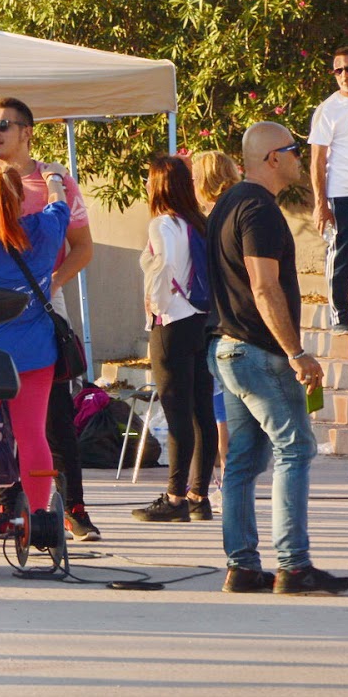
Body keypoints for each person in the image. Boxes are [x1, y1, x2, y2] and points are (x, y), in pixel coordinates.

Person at [0, 97, 101, 542]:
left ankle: (68, 507)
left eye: (4, 125)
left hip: (31, 309)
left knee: (35, 423)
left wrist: (50, 283)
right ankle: (33, 515)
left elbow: (83, 247)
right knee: (27, 427)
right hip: (25, 321)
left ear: (27, 131)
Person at [209, 122, 348, 595]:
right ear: (273, 157)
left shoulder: (226, 204)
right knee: (295, 449)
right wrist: (296, 351)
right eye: (294, 150)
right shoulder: (259, 210)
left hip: (229, 348)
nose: (300, 158)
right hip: (259, 352)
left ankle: (243, 565)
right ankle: (293, 564)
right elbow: (263, 285)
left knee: (245, 461)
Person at [0, 165, 71, 526]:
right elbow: (61, 204)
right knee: (33, 435)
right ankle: (39, 517)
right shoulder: (44, 230)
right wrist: (54, 178)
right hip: (37, 354)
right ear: (23, 197)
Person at [133, 155, 217, 522]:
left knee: (176, 409)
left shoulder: (162, 223)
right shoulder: (197, 223)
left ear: (160, 185)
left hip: (171, 321)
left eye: (150, 180)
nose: (147, 186)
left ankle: (175, 497)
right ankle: (199, 495)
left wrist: (157, 302)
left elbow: (163, 265)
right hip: (198, 320)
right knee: (201, 410)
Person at [192, 149, 242, 467]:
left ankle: (225, 478)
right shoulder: (235, 213)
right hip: (229, 321)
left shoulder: (211, 223)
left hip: (218, 324)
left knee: (221, 412)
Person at [310, 45, 348, 335]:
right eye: (339, 70)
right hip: (341, 194)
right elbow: (317, 159)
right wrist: (320, 203)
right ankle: (340, 316)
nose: (344, 75)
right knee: (341, 254)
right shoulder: (329, 110)